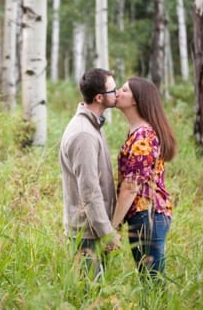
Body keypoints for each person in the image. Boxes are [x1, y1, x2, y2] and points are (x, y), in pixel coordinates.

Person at [111, 77, 177, 282]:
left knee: (153, 282)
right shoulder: (137, 133)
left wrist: (112, 226)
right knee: (149, 280)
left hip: (148, 214)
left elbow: (130, 187)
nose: (117, 93)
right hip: (143, 214)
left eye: (123, 90)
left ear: (135, 100)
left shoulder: (143, 137)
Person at [59, 68, 122, 280]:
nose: (118, 93)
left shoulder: (93, 125)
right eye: (113, 90)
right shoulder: (84, 134)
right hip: (88, 233)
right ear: (99, 98)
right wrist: (107, 232)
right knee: (91, 296)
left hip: (94, 229)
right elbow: (90, 191)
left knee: (98, 292)